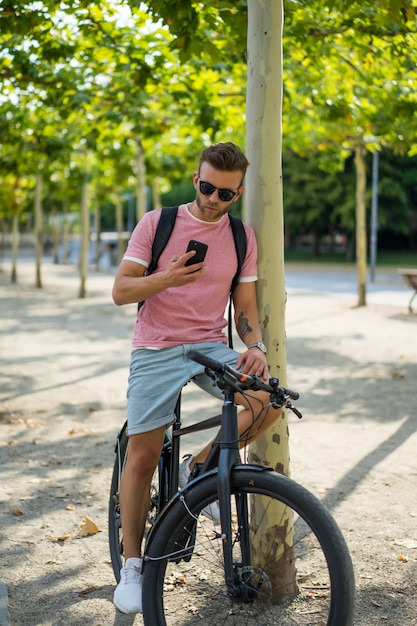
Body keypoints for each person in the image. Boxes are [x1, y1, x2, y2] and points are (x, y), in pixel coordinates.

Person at [111, 141, 283, 614]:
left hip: (209, 346)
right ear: (195, 180)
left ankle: (198, 470)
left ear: (238, 192)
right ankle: (132, 563)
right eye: (207, 187)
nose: (213, 199)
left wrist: (254, 347)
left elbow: (244, 306)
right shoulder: (157, 223)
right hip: (156, 346)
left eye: (225, 194)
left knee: (268, 403)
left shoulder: (242, 238)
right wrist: (165, 278)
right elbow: (121, 291)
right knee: (143, 457)